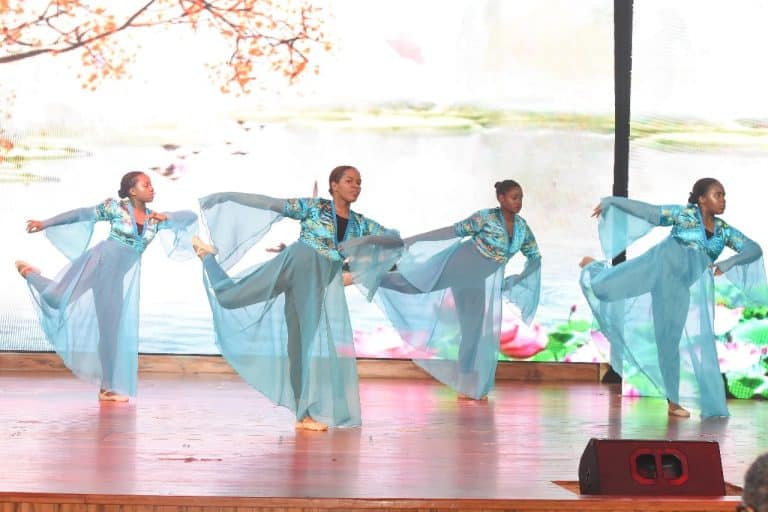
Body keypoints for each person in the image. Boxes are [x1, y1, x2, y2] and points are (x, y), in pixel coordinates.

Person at [193, 165, 402, 431]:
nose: (356, 186)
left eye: (359, 182)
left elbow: (392, 240)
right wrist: (226, 198)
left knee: (300, 348)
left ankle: (303, 416)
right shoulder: (315, 208)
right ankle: (207, 256)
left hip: (314, 285)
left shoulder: (361, 224)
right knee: (229, 298)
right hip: (291, 266)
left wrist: (377, 246)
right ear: (334, 185)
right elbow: (272, 204)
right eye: (349, 181)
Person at [579, 177, 767, 418]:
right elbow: (650, 212)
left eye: (724, 195)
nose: (723, 200)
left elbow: (753, 248)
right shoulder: (683, 215)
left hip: (676, 289)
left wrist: (729, 262)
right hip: (652, 268)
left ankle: (673, 402)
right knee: (605, 288)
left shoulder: (723, 231)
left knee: (668, 343)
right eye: (717, 195)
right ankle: (593, 267)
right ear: (702, 199)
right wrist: (613, 201)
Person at [15, 171, 198, 401]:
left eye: (152, 184)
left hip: (114, 280)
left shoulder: (154, 219)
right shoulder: (115, 208)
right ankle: (30, 273)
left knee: (110, 333)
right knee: (56, 299)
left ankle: (107, 388)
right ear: (132, 191)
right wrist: (45, 223)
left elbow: (190, 217)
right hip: (97, 264)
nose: (152, 188)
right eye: (146, 185)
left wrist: (167, 216)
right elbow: (81, 214)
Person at [374, 179, 542, 400]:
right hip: (457, 265)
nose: (518, 202)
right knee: (411, 286)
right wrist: (413, 240)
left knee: (473, 328)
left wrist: (520, 278)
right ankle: (367, 274)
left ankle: (465, 383)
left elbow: (534, 255)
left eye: (520, 198)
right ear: (501, 198)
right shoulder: (486, 217)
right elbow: (453, 231)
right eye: (514, 197)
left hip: (475, 279)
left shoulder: (522, 228)